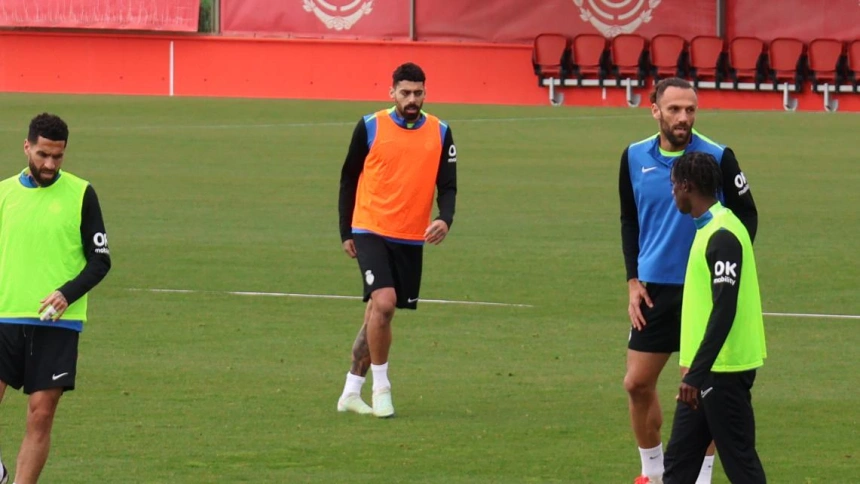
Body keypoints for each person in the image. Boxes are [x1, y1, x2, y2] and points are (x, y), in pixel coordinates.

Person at [618, 77, 758, 484]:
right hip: (654, 289)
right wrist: (632, 279)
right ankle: (652, 472)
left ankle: (701, 476)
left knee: (697, 392)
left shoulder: (716, 156)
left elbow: (747, 215)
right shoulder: (632, 157)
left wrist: (723, 268)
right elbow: (630, 218)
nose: (684, 118)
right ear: (655, 109)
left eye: (691, 110)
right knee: (636, 383)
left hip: (703, 292)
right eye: (675, 109)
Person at [336, 62, 457, 418]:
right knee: (385, 303)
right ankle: (382, 387)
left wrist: (444, 219)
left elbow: (447, 186)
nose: (412, 99)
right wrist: (346, 230)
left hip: (409, 235)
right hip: (370, 227)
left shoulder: (441, 131)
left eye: (418, 93)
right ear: (392, 93)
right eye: (405, 92)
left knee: (377, 314)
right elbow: (348, 178)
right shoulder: (370, 126)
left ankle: (350, 391)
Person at [0, 113, 112, 484]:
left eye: (58, 157)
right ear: (27, 146)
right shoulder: (3, 194)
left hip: (57, 323)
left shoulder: (82, 194)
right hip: (4, 318)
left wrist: (67, 294)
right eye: (43, 155)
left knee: (40, 414)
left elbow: (100, 261)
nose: (49, 164)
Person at [663, 151, 767, 484]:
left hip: (722, 372)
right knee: (679, 465)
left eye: (674, 186)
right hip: (704, 372)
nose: (673, 193)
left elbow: (725, 308)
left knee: (741, 464)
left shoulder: (723, 234)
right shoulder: (710, 227)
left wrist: (697, 373)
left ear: (686, 186)